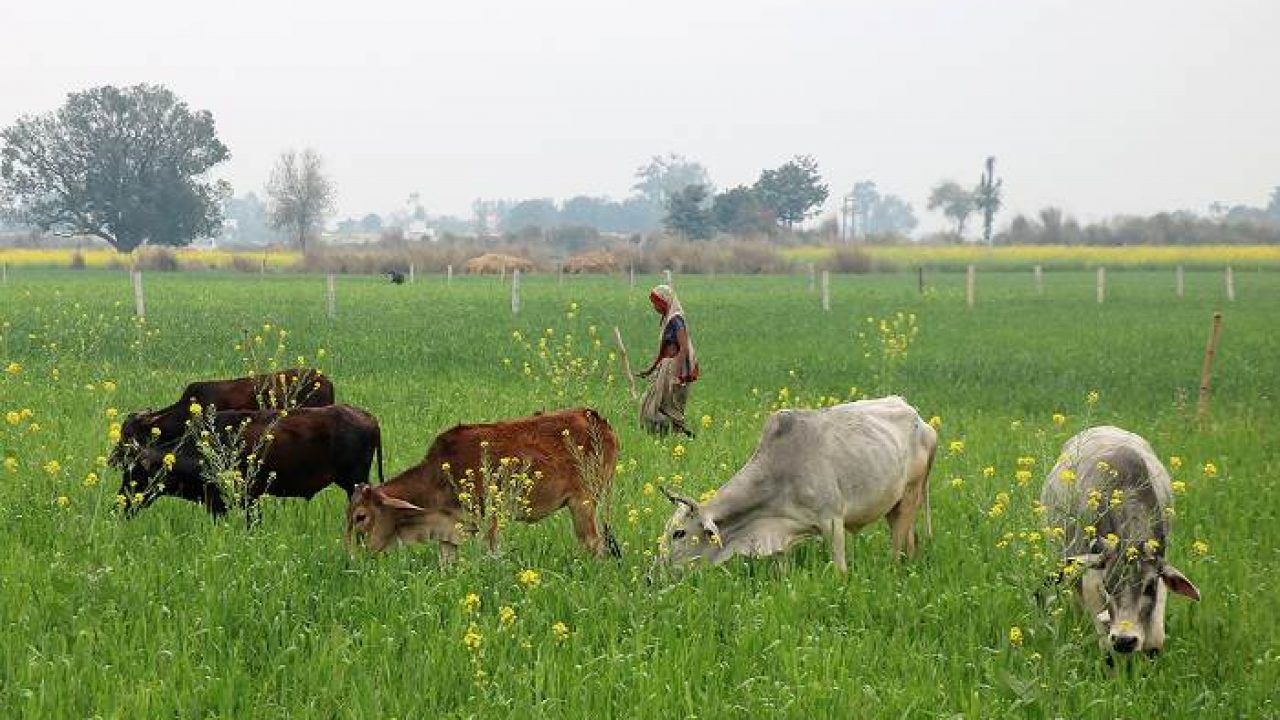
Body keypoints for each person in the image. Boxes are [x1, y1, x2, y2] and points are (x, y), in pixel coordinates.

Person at [637, 284, 699, 435]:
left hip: (675, 368)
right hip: (667, 367)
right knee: (652, 405)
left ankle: (678, 437)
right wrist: (650, 370)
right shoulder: (668, 320)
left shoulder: (676, 320)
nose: (654, 307)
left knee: (671, 406)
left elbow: (683, 348)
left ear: (665, 302)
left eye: (656, 303)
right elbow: (664, 351)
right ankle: (663, 437)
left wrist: (676, 375)